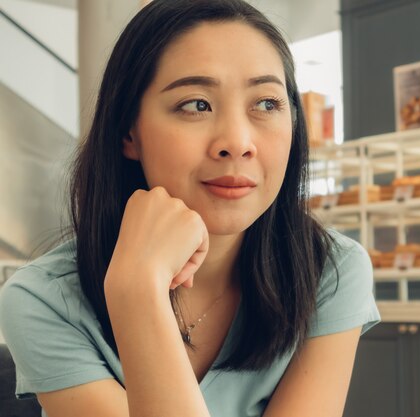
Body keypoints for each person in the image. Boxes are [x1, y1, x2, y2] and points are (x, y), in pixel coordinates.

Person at [0, 0, 380, 416]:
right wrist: (138, 291)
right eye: (196, 104)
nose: (237, 141)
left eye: (267, 103)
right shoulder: (44, 299)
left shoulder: (329, 270)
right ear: (129, 132)